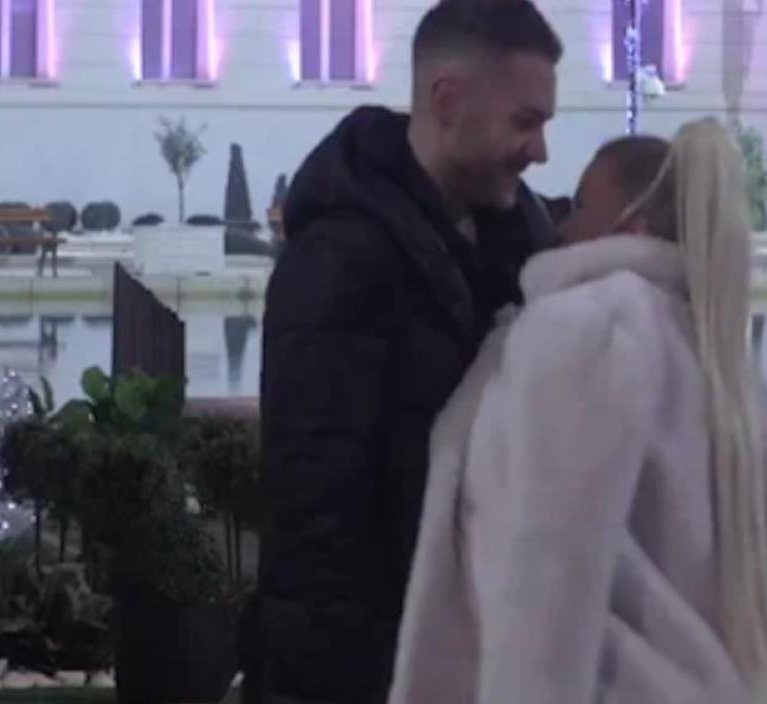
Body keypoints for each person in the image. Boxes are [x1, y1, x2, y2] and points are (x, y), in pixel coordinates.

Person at [389, 118, 767, 704]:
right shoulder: (724, 360)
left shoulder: (586, 328)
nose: (562, 227)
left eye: (580, 205)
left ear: (632, 223)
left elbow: (547, 577)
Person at [242, 1, 563, 702]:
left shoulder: (521, 245)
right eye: (525, 121)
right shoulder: (340, 261)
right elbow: (317, 520)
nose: (540, 150)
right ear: (448, 101)